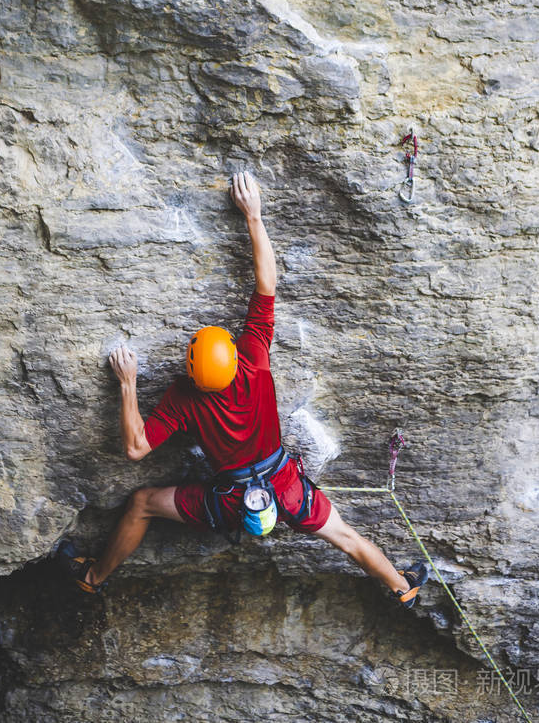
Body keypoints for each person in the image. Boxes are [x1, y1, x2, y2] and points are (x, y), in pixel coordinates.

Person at [58, 172, 429, 607]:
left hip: (230, 501)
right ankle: (401, 588)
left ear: (191, 369)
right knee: (345, 536)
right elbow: (266, 286)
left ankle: (95, 575)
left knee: (141, 503)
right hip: (284, 485)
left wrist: (127, 384)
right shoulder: (253, 359)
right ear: (232, 357)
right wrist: (253, 215)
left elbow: (137, 448)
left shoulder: (183, 398)